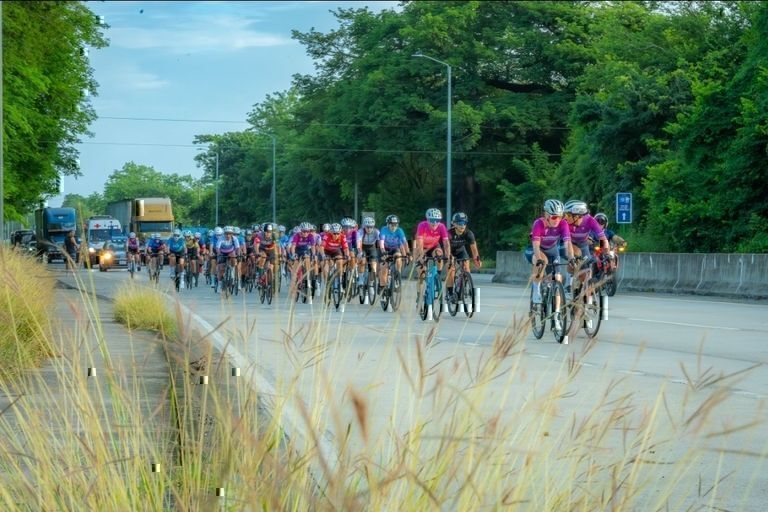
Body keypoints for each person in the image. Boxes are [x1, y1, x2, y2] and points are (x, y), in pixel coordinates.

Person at [528, 199, 575, 331]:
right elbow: (536, 246)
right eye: (554, 217)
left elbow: (567, 243)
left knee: (558, 279)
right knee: (542, 263)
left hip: (553, 252)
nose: (557, 220)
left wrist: (571, 258)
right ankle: (536, 289)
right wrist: (539, 258)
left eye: (560, 217)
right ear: (547, 215)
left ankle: (556, 314)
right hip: (539, 250)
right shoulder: (539, 224)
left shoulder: (563, 224)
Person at [563, 200, 611, 293]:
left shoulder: (590, 220)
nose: (565, 217)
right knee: (576, 257)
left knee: (586, 267)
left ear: (577, 216)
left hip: (583, 244)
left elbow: (602, 237)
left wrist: (606, 253)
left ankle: (581, 288)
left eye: (568, 215)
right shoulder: (565, 222)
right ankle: (569, 283)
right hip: (569, 243)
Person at [445, 212, 481, 298]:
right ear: (454, 224)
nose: (462, 226)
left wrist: (477, 259)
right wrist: (449, 256)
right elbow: (445, 247)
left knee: (466, 268)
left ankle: (464, 284)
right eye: (460, 223)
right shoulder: (449, 233)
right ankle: (449, 294)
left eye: (464, 223)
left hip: (461, 251)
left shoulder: (469, 233)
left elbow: (474, 248)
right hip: (449, 251)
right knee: (451, 271)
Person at [413, 208, 451, 276]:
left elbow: (446, 243)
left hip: (433, 246)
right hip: (422, 247)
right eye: (432, 220)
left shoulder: (441, 226)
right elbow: (419, 242)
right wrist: (421, 255)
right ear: (427, 219)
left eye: (437, 220)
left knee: (439, 255)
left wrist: (448, 256)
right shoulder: (422, 225)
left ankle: (438, 275)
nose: (435, 223)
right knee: (421, 273)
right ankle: (422, 280)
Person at [378, 214, 410, 288]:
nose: (394, 227)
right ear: (388, 224)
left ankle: (397, 276)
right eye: (392, 225)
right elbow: (381, 242)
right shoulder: (384, 229)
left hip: (395, 248)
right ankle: (382, 287)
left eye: (396, 225)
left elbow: (405, 242)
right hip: (385, 249)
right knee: (384, 268)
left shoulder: (399, 230)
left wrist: (408, 253)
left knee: (399, 258)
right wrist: (383, 251)